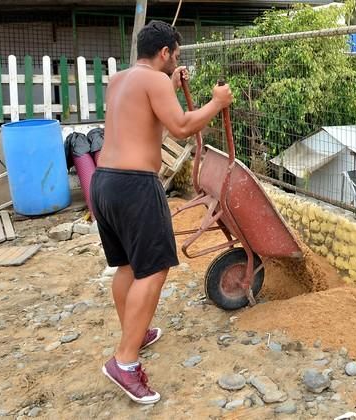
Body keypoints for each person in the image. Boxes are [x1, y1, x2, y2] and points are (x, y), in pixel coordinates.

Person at [92, 20, 233, 404]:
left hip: (104, 182)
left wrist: (169, 83)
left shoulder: (120, 80)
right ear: (166, 52)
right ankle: (124, 362)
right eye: (176, 55)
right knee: (154, 268)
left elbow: (147, 112)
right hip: (135, 186)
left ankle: (133, 333)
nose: (176, 63)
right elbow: (182, 125)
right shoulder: (155, 81)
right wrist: (217, 102)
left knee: (127, 266)